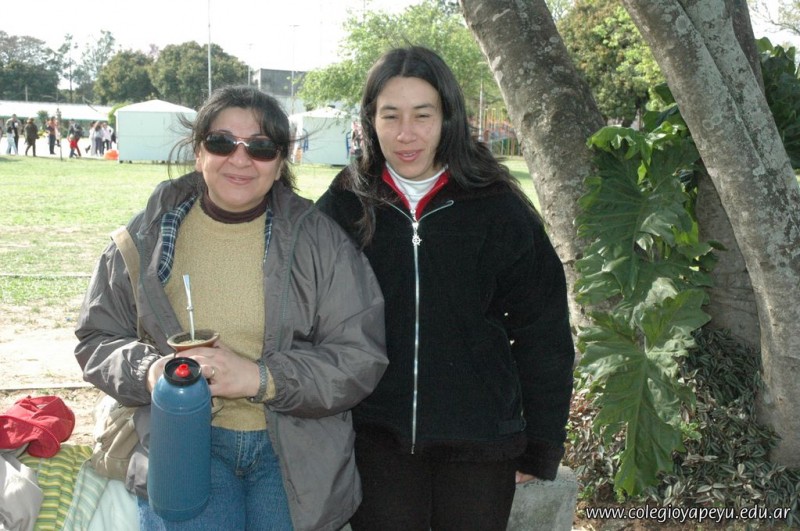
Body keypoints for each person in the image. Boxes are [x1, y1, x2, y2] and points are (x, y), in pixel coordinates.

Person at [75, 85, 388, 530]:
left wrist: (262, 378)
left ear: (280, 163)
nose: (240, 160)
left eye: (260, 148)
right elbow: (97, 337)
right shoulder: (145, 237)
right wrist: (150, 370)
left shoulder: (323, 244)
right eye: (222, 143)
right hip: (182, 439)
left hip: (294, 447)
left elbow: (359, 358)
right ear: (198, 152)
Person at [316, 46, 575, 531]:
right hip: (376, 439)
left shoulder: (497, 206)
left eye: (422, 115)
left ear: (447, 118)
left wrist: (540, 444)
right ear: (370, 120)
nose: (406, 133)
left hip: (480, 443)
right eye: (390, 115)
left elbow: (544, 331)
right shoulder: (345, 203)